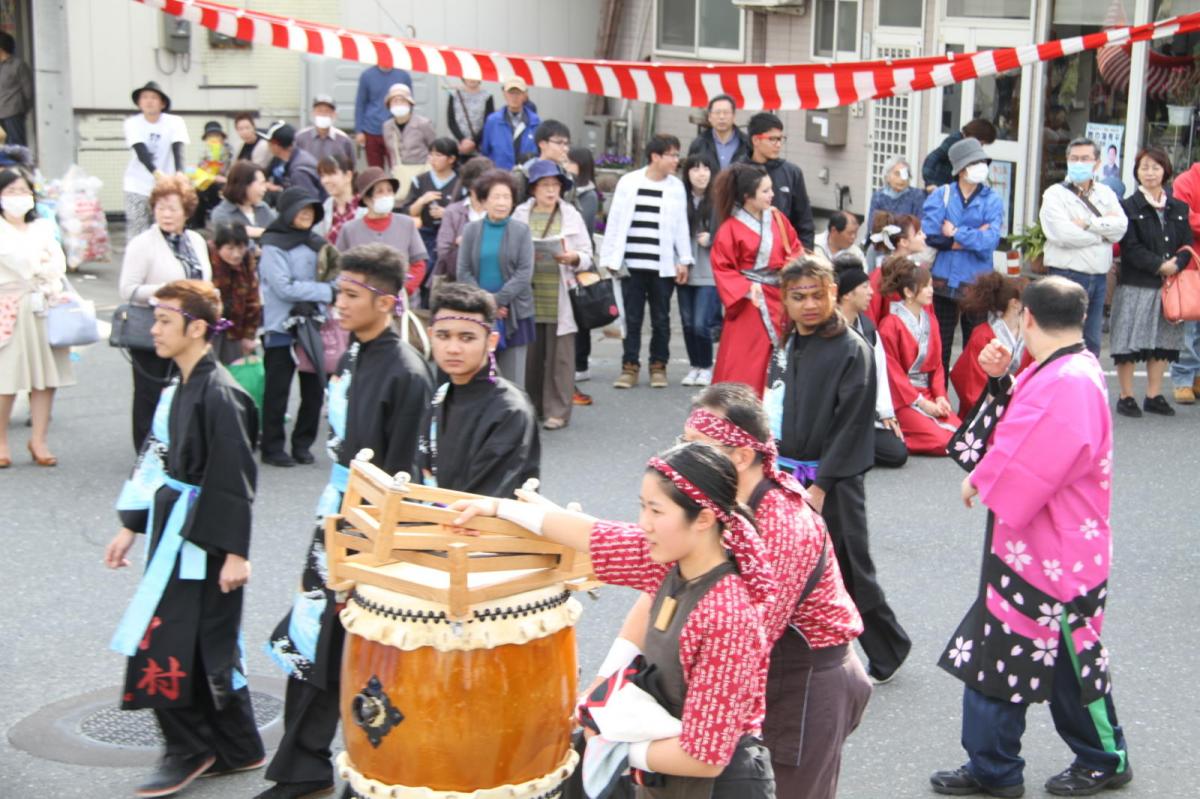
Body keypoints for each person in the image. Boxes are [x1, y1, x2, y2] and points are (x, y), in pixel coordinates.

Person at [449, 441, 776, 797]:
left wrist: (611, 747)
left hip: (720, 785)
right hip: (665, 769)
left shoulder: (726, 614)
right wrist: (498, 508)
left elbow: (706, 757)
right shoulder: (669, 561)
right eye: (642, 507)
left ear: (704, 518)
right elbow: (593, 534)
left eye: (656, 511)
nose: (644, 524)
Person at [602, 385, 869, 799]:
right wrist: (609, 677)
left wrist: (638, 738)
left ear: (743, 456)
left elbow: (744, 637)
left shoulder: (783, 522)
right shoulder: (710, 507)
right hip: (758, 667)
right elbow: (661, 586)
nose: (684, 458)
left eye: (698, 447)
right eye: (683, 443)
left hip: (807, 680)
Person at [931, 277, 1131, 799]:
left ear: (1028, 318)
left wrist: (983, 477)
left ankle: (1105, 757)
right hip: (1028, 541)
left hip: (1056, 548)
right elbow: (1021, 432)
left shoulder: (1069, 380)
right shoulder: (1060, 367)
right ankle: (993, 766)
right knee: (997, 646)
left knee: (1070, 657)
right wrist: (999, 381)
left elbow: (1034, 458)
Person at [260, 245, 432, 799]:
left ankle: (322, 765)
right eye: (338, 292)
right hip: (335, 515)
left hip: (368, 525)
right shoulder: (356, 354)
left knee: (343, 645)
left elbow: (405, 475)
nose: (338, 304)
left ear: (386, 301)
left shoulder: (406, 372)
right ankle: (302, 763)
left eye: (351, 295)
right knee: (312, 637)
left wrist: (371, 547)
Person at [104, 279, 264, 799]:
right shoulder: (178, 386)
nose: (153, 330)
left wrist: (236, 552)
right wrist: (131, 523)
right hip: (174, 522)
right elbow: (155, 457)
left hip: (205, 534)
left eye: (164, 322)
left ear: (197, 328)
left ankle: (189, 747)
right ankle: (238, 746)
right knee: (201, 642)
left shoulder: (221, 394)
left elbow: (235, 478)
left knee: (175, 640)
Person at [766, 257, 911, 683]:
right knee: (786, 563)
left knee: (849, 565)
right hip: (789, 471)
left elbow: (850, 425)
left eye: (818, 294)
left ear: (834, 294)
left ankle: (888, 647)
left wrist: (823, 486)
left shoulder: (852, 349)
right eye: (799, 297)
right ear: (786, 301)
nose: (809, 304)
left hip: (835, 480)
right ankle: (791, 649)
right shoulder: (793, 342)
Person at [418, 283, 540, 494]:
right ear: (431, 335)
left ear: (491, 340)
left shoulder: (509, 410)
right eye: (443, 336)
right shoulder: (441, 395)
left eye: (467, 338)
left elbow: (490, 496)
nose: (453, 349)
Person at [119, 175, 212, 452]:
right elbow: (127, 289)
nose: (166, 214)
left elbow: (205, 277)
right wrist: (168, 291)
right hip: (155, 328)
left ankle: (181, 448)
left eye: (173, 208)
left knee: (188, 388)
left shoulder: (196, 240)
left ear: (186, 210)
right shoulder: (143, 243)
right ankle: (146, 453)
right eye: (160, 207)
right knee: (149, 394)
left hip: (191, 330)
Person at [600, 134, 693, 389]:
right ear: (655, 156)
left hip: (662, 264)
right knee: (632, 317)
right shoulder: (629, 182)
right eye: (672, 155)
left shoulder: (676, 187)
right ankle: (629, 366)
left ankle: (658, 366)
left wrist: (684, 259)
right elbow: (616, 221)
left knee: (661, 318)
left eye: (677, 155)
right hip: (631, 263)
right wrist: (609, 257)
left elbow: (681, 227)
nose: (676, 160)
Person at [0, 168, 74, 467]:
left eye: (23, 190)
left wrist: (40, 262)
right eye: (11, 191)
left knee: (45, 378)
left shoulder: (43, 226)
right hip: (9, 307)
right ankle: (2, 441)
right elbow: (22, 262)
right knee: (6, 378)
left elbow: (58, 264)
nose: (18, 197)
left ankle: (39, 440)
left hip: (43, 305)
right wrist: (37, 260)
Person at [511, 159, 592, 430]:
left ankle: (558, 411)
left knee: (561, 359)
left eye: (555, 185)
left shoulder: (571, 214)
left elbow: (588, 255)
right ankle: (531, 407)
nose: (550, 190)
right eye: (544, 185)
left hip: (560, 294)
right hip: (529, 293)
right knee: (531, 358)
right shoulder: (520, 214)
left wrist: (573, 257)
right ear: (533, 188)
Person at [709, 162, 802, 396]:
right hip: (751, 302)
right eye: (765, 191)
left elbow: (795, 248)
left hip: (780, 297)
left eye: (771, 189)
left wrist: (792, 267)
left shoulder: (778, 219)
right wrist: (746, 288)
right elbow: (722, 267)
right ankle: (740, 413)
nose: (772, 195)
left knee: (781, 357)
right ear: (747, 196)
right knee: (746, 360)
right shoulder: (729, 229)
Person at [1111, 147, 1191, 418]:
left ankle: (1154, 395)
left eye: (1155, 167)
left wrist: (1177, 264)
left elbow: (1187, 243)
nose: (1150, 173)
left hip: (1169, 287)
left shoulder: (1178, 207)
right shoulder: (1128, 206)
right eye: (1144, 168)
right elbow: (1129, 246)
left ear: (1165, 171)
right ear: (1136, 172)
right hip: (1136, 284)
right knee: (1128, 342)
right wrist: (1160, 265)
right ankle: (1126, 395)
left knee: (1163, 341)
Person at [257, 188, 332, 468]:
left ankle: (303, 444)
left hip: (314, 325)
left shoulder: (319, 243)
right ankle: (272, 446)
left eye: (311, 210)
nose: (306, 215)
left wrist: (320, 294)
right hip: (281, 326)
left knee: (313, 390)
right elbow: (282, 287)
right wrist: (322, 291)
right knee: (277, 390)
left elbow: (336, 282)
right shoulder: (273, 244)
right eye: (301, 209)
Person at [921, 136, 1005, 374]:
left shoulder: (992, 199)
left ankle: (973, 406)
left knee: (977, 349)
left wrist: (956, 232)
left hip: (977, 282)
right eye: (974, 162)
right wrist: (971, 237)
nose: (981, 167)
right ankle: (940, 401)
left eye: (982, 161)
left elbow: (991, 240)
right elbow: (932, 236)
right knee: (941, 348)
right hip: (943, 282)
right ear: (960, 169)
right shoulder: (942, 195)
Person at [1038, 138, 1128, 357]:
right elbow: (1062, 234)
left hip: (1098, 277)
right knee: (1062, 340)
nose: (1079, 163)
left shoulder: (1105, 193)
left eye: (1085, 158)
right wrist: (1101, 237)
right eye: (1074, 158)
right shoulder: (1054, 194)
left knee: (1091, 343)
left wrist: (1090, 224)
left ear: (1097, 163)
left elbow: (1121, 228)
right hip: (1065, 275)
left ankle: (1087, 390)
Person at [456, 169, 534, 386]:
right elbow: (463, 271)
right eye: (496, 196)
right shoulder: (471, 230)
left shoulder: (522, 231)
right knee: (477, 376)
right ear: (483, 200)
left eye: (507, 197)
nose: (502, 202)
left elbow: (524, 273)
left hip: (513, 313)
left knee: (512, 380)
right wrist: (487, 302)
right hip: (477, 312)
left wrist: (498, 300)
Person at [877, 259, 962, 456]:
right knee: (942, 442)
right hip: (904, 398)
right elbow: (892, 373)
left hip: (928, 392)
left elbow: (938, 365)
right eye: (925, 287)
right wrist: (921, 402)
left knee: (961, 435)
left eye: (931, 285)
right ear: (908, 292)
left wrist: (940, 396)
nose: (931, 291)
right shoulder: (889, 325)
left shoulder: (930, 320)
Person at [836, 267, 908, 469]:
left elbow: (880, 373)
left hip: (862, 417)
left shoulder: (868, 328)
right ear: (848, 294)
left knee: (897, 453)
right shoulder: (828, 328)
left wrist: (886, 412)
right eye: (865, 287)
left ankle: (853, 449)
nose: (871, 292)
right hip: (833, 417)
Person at [336, 167, 427, 298]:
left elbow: (418, 264)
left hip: (401, 298)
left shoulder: (407, 224)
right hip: (362, 301)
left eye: (389, 191)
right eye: (380, 191)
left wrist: (404, 291)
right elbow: (340, 269)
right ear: (367, 199)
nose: (386, 196)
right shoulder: (349, 230)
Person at [950, 272, 1032, 417]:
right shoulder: (983, 335)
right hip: (985, 409)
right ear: (1015, 303)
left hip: (1017, 405)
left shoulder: (1028, 333)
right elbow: (970, 383)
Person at [124, 81, 189, 238]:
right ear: (139, 103)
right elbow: (141, 151)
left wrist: (180, 172)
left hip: (166, 187)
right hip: (137, 185)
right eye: (144, 97)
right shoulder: (132, 123)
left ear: (162, 103)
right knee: (138, 231)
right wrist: (156, 173)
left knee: (167, 228)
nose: (149, 101)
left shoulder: (175, 122)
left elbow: (178, 148)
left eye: (153, 97)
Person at [742, 112, 815, 250]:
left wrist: (806, 256)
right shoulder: (737, 171)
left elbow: (805, 222)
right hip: (746, 250)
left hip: (784, 253)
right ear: (756, 140)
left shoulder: (792, 172)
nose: (778, 144)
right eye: (772, 139)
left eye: (781, 139)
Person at [678, 153, 719, 388]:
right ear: (687, 174)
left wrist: (712, 238)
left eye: (705, 168)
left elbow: (728, 233)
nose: (701, 173)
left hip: (709, 273)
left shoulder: (719, 201)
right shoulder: (679, 198)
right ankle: (694, 366)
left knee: (700, 323)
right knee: (686, 323)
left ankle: (705, 366)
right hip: (684, 270)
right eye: (695, 169)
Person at [1167, 157, 1200, 404]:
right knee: (1188, 325)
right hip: (1191, 263)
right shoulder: (1186, 180)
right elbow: (1184, 218)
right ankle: (1183, 378)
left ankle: (1197, 377)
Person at [401, 136, 462, 270]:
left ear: (451, 159)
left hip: (451, 237)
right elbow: (408, 211)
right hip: (425, 235)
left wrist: (447, 214)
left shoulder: (461, 184)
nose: (433, 159)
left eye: (438, 155)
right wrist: (422, 201)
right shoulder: (420, 181)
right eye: (430, 155)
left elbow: (468, 213)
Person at [433, 155, 493, 287]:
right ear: (470, 186)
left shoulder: (497, 211)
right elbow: (443, 251)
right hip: (455, 283)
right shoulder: (453, 212)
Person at [206, 223, 262, 366]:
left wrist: (249, 335)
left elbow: (253, 299)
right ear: (219, 246)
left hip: (235, 329)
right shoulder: (207, 259)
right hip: (209, 329)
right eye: (230, 248)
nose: (236, 254)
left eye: (241, 248)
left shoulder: (246, 261)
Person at [865, 215, 927, 323]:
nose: (924, 236)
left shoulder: (919, 270)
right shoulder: (882, 274)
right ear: (903, 242)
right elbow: (871, 314)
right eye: (918, 233)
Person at [354, 64, 414, 169]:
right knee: (375, 169)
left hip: (395, 129)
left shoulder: (403, 75)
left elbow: (409, 102)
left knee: (397, 167)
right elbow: (360, 103)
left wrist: (407, 127)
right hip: (371, 130)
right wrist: (359, 130)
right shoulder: (367, 75)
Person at [479, 76, 541, 170]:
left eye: (518, 93)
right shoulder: (493, 121)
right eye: (511, 93)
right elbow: (485, 151)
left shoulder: (535, 121)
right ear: (504, 94)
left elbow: (540, 152)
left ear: (525, 95)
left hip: (528, 176)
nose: (514, 97)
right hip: (500, 176)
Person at [864, 157, 925, 249]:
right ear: (887, 177)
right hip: (883, 244)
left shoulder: (917, 196)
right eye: (897, 174)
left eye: (905, 175)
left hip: (908, 245)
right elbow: (873, 226)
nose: (902, 179)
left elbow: (919, 225)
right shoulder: (878, 196)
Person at [922, 118, 997, 189]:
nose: (980, 146)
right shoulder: (955, 141)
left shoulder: (967, 145)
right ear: (975, 136)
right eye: (981, 143)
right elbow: (932, 158)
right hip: (939, 184)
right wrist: (930, 183)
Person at [211, 161, 276, 240]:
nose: (264, 189)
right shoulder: (222, 214)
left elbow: (279, 233)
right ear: (244, 185)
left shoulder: (263, 208)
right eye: (261, 184)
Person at [381, 83, 436, 174]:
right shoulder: (387, 126)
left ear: (410, 104)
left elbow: (433, 148)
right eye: (395, 101)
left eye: (402, 100)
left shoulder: (423, 123)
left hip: (422, 172)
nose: (398, 104)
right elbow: (392, 153)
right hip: (400, 172)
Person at [512, 119, 572, 201]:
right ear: (542, 144)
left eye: (566, 144)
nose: (565, 148)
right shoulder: (523, 176)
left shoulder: (567, 177)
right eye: (559, 143)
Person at [687, 94, 750, 169]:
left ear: (734, 116)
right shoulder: (698, 144)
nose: (721, 117)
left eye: (726, 113)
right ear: (710, 117)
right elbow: (689, 173)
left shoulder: (747, 143)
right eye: (717, 113)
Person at [313, 154, 362, 247]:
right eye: (322, 176)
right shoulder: (326, 206)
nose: (325, 180)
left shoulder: (365, 206)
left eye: (331, 174)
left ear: (348, 176)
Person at [267, 123, 326, 201]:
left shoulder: (299, 171)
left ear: (275, 145)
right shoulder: (299, 156)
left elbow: (308, 201)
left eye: (269, 142)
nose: (267, 145)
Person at [294, 94, 355, 165]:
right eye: (319, 111)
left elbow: (351, 166)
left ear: (334, 114)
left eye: (327, 111)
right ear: (313, 113)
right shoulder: (301, 137)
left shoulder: (343, 140)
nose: (323, 114)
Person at [446, 78, 495, 160]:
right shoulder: (454, 94)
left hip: (478, 145)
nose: (472, 79)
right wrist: (462, 140)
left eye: (474, 76)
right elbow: (451, 121)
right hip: (458, 144)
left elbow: (488, 122)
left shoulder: (487, 96)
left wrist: (474, 142)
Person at [0, 32, 32, 146]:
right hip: (1, 113)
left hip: (13, 113)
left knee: (17, 146)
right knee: (3, 147)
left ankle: (19, 164)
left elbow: (28, 92)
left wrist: (21, 110)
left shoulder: (18, 65)